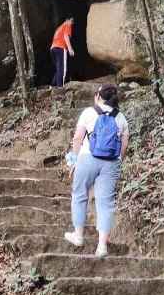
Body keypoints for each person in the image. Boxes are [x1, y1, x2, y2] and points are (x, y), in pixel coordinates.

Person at [64, 83, 129, 257]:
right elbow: (124, 144)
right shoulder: (121, 117)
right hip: (111, 163)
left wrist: (73, 162)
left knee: (79, 195)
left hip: (87, 158)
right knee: (105, 203)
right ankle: (101, 247)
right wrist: (118, 161)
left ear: (98, 96)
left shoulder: (88, 112)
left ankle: (78, 236)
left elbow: (78, 138)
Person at [50, 17, 75, 87]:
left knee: (58, 69)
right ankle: (60, 87)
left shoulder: (59, 28)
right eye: (72, 21)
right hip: (60, 48)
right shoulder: (67, 25)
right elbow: (66, 36)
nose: (72, 23)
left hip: (53, 49)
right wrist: (70, 49)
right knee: (62, 69)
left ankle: (52, 85)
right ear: (67, 20)